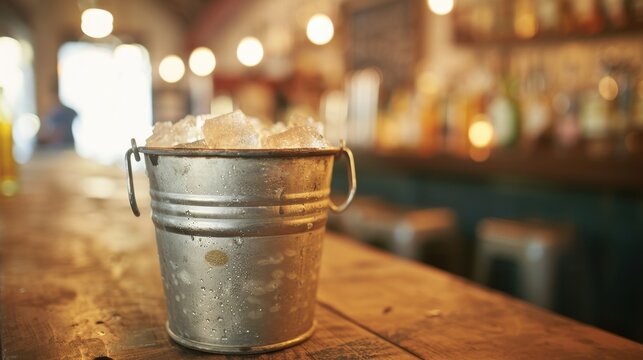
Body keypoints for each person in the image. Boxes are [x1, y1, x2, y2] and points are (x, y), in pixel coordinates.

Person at [39, 82, 77, 148]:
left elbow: (60, 132)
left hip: (68, 145)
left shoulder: (68, 112)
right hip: (56, 148)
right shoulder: (51, 114)